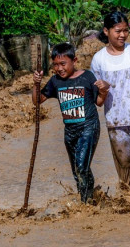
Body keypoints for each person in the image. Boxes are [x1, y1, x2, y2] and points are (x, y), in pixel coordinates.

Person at [33, 43, 110, 203]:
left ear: (74, 60)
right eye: (55, 65)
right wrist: (36, 83)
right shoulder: (55, 82)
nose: (59, 68)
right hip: (70, 131)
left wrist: (104, 91)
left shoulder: (87, 77)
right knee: (77, 170)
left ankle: (86, 203)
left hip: (88, 127)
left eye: (63, 64)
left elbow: (99, 102)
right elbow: (37, 100)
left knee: (81, 166)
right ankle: (89, 198)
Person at [91, 11, 130, 195]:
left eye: (125, 30)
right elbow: (98, 102)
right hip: (115, 120)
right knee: (124, 163)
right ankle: (129, 199)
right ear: (106, 31)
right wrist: (103, 90)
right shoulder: (98, 60)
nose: (122, 35)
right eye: (118, 31)